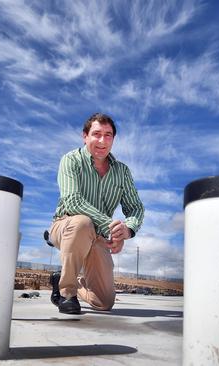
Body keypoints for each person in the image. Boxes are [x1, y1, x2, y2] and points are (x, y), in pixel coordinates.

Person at [48, 113, 144, 314]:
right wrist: (111, 226)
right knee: (82, 222)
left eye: (108, 135)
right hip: (66, 224)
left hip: (99, 235)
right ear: (85, 136)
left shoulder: (122, 172)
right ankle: (67, 294)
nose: (102, 140)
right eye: (96, 134)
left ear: (113, 139)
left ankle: (66, 280)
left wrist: (127, 230)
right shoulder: (71, 160)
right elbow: (73, 202)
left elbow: (135, 207)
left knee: (104, 302)